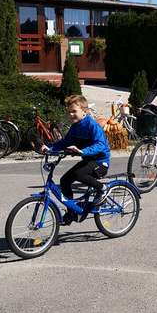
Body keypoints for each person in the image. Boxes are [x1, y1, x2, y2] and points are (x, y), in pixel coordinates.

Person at [44, 93, 111, 222]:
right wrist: (50, 148)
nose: (71, 115)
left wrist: (82, 151)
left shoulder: (92, 125)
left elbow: (100, 145)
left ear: (84, 111)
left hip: (100, 163)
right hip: (88, 161)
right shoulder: (75, 127)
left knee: (79, 174)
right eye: (69, 112)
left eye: (74, 111)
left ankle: (103, 188)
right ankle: (72, 213)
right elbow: (65, 142)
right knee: (64, 180)